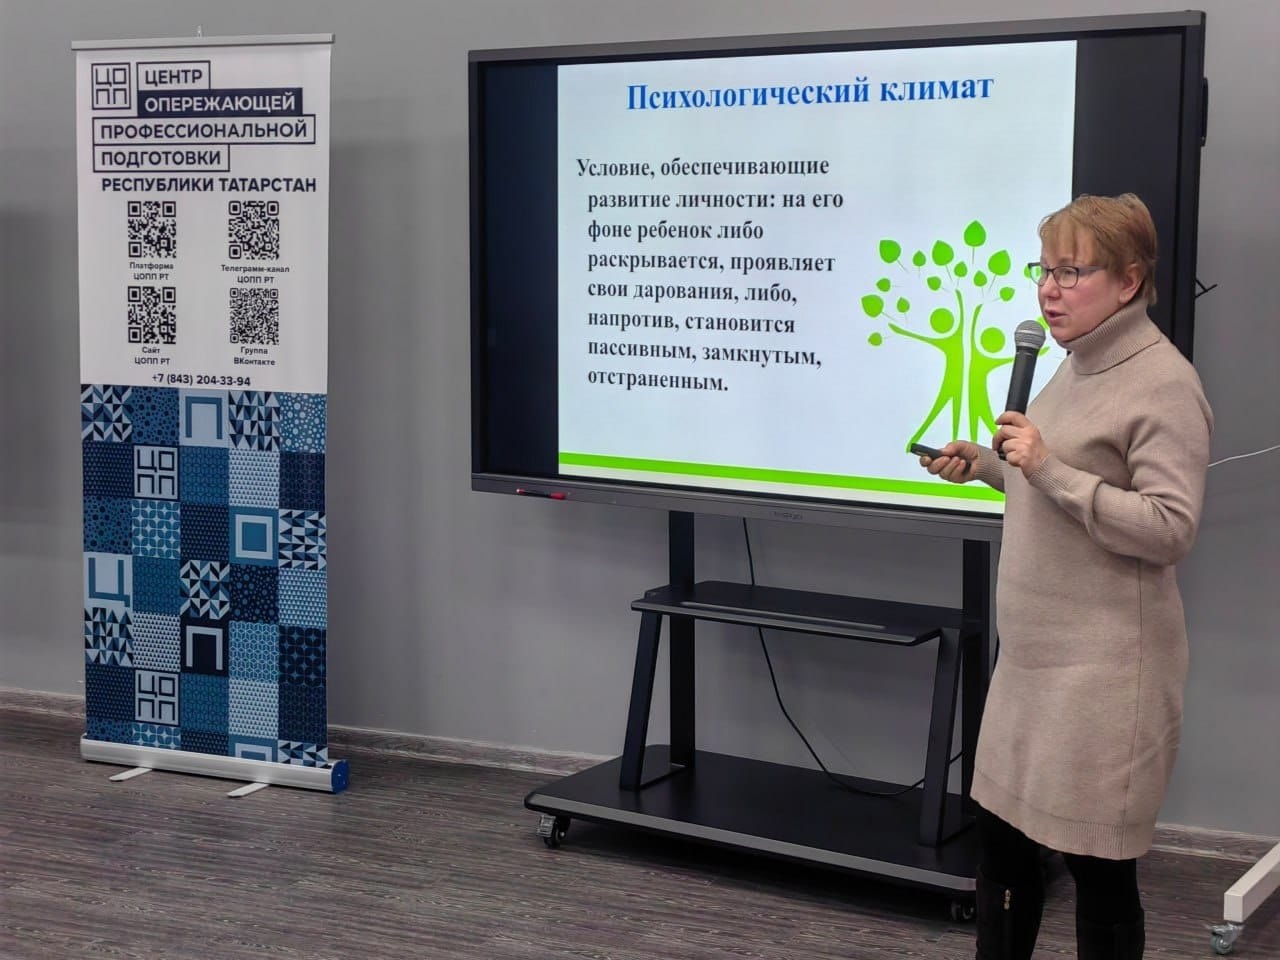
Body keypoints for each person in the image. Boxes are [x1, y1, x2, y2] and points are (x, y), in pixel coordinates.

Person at [918, 193, 1213, 960]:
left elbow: (1169, 528)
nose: (1049, 290)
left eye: (1071, 272)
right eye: (1044, 270)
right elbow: (1056, 486)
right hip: (1033, 666)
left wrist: (1047, 467)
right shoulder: (1073, 363)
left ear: (1128, 280)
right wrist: (989, 466)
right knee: (1003, 851)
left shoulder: (1163, 383)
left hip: (1105, 678)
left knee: (1098, 871)